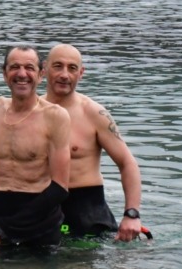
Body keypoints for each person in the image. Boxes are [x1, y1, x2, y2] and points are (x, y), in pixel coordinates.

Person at [42, 43, 146, 241]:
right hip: (42, 209)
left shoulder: (94, 114)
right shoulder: (31, 112)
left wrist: (132, 214)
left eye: (72, 68)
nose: (65, 74)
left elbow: (127, 163)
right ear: (45, 69)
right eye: (58, 66)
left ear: (81, 73)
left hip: (87, 211)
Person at [0, 45, 71, 248]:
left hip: (37, 220)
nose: (22, 74)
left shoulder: (55, 116)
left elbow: (60, 188)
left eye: (29, 67)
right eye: (15, 67)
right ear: (5, 73)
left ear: (41, 74)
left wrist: (5, 228)